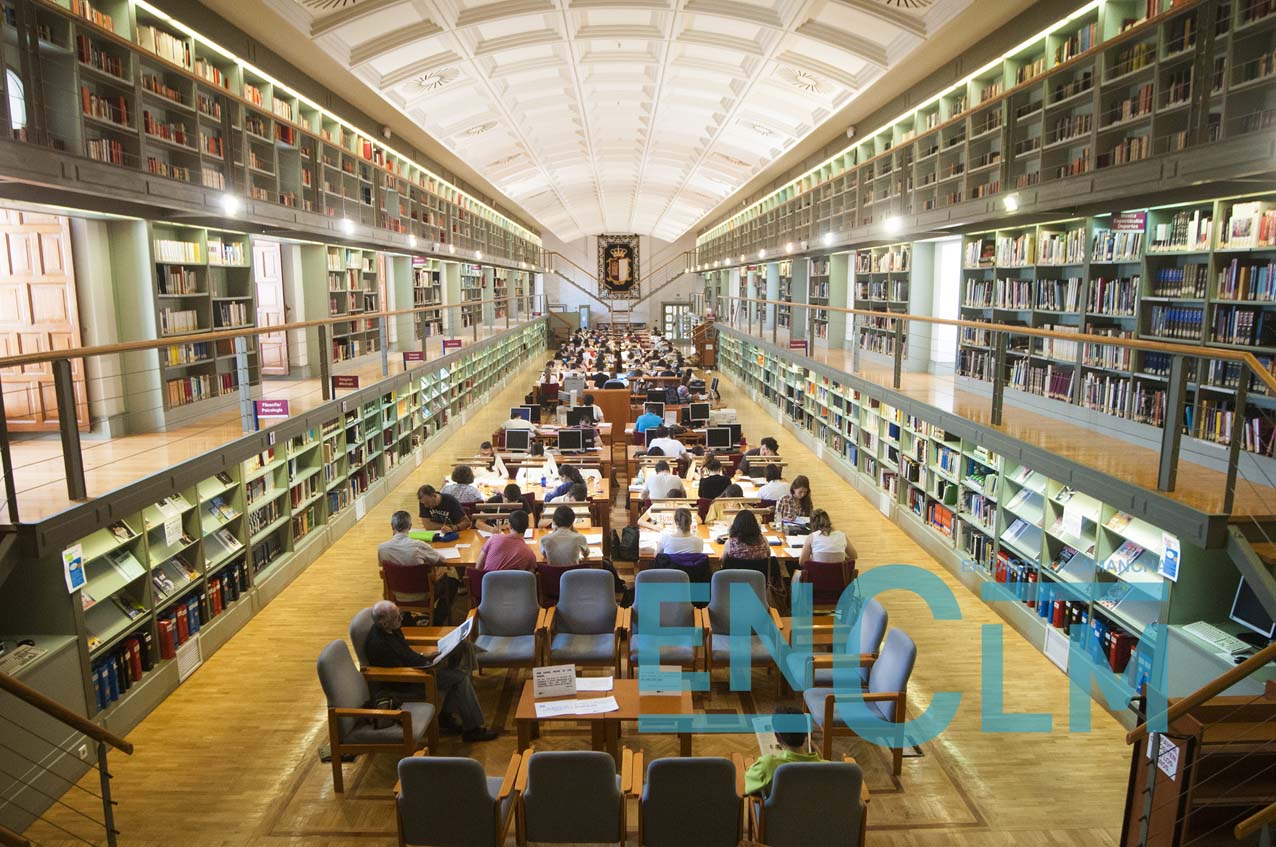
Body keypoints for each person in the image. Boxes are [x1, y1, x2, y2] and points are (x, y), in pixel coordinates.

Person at [364, 601, 499, 743]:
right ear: (384, 624)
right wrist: (429, 664)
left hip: (415, 668)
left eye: (400, 614)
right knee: (459, 678)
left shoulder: (392, 628)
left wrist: (427, 657)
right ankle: (472, 730)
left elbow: (406, 654)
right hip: (406, 683)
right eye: (397, 617)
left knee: (458, 657)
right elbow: (399, 673)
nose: (402, 619)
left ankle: (445, 718)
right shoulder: (379, 645)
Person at [377, 510, 455, 626]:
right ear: (410, 526)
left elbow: (385, 568)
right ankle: (437, 620)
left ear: (392, 526)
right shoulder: (418, 546)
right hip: (423, 593)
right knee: (452, 583)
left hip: (396, 593)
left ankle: (406, 617)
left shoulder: (382, 548)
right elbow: (442, 560)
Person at [744, 706, 822, 795]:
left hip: (779, 809)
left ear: (777, 736)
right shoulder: (828, 767)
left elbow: (748, 787)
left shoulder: (768, 765)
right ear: (806, 734)